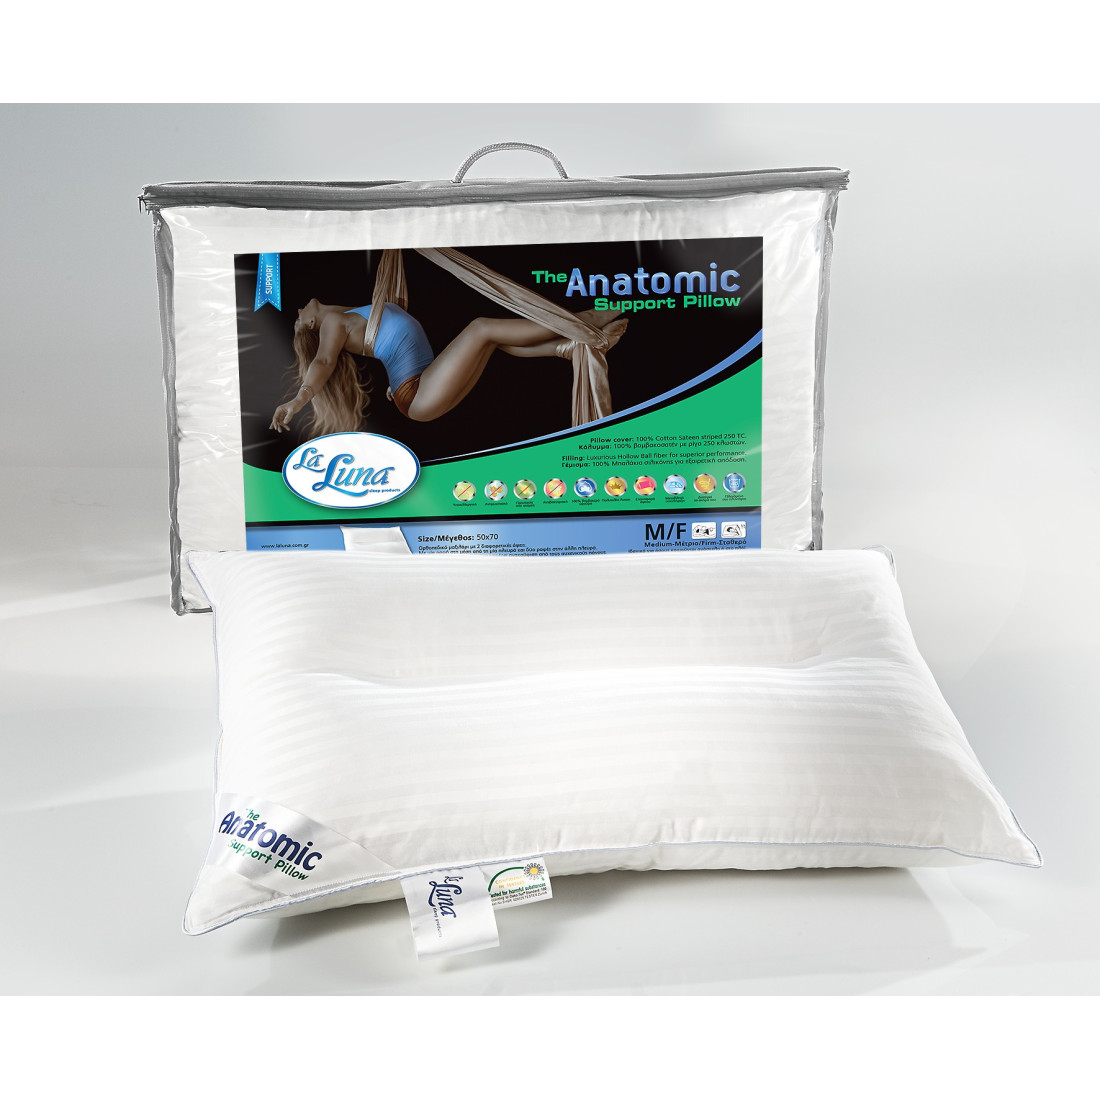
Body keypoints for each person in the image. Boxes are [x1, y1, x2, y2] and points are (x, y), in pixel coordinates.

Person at [269, 299, 627, 435]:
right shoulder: (333, 324)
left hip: (422, 385)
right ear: (311, 326)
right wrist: (297, 402)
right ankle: (585, 320)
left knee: (491, 340)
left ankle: (566, 348)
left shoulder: (352, 314)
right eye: (298, 320)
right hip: (418, 394)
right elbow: (324, 361)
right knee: (481, 328)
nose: (297, 311)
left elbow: (387, 341)